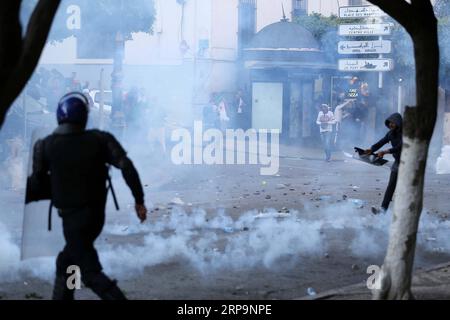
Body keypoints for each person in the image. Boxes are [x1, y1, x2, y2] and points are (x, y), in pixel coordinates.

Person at [27, 92, 148, 300]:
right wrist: (139, 201)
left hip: (72, 219)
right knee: (67, 261)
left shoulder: (46, 145)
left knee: (90, 272)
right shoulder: (100, 139)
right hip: (94, 216)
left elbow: (36, 185)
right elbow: (126, 166)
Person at [365, 113, 403, 214]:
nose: (391, 124)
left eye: (393, 123)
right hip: (398, 162)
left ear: (398, 123)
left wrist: (385, 152)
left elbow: (400, 147)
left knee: (407, 188)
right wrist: (371, 149)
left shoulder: (405, 133)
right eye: (389, 123)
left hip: (408, 164)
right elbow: (381, 142)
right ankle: (383, 210)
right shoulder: (390, 133)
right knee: (390, 187)